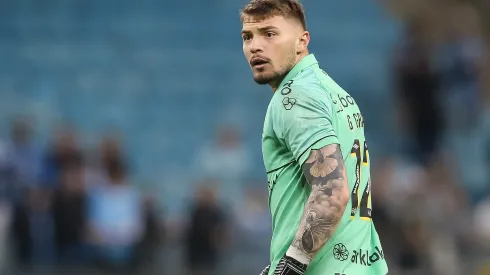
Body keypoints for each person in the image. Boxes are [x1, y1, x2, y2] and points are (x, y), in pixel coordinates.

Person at [239, 1, 388, 274]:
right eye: (248, 37)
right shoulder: (334, 92)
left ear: (302, 40)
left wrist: (292, 263)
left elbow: (332, 190)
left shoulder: (295, 96)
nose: (255, 46)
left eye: (269, 34)